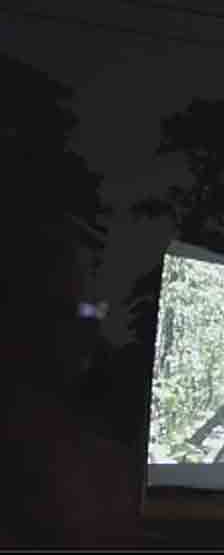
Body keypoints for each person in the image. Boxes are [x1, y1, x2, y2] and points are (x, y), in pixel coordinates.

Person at [0, 218, 150, 546]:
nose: (92, 328)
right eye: (80, 310)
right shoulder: (90, 473)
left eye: (95, 310)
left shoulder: (99, 459)